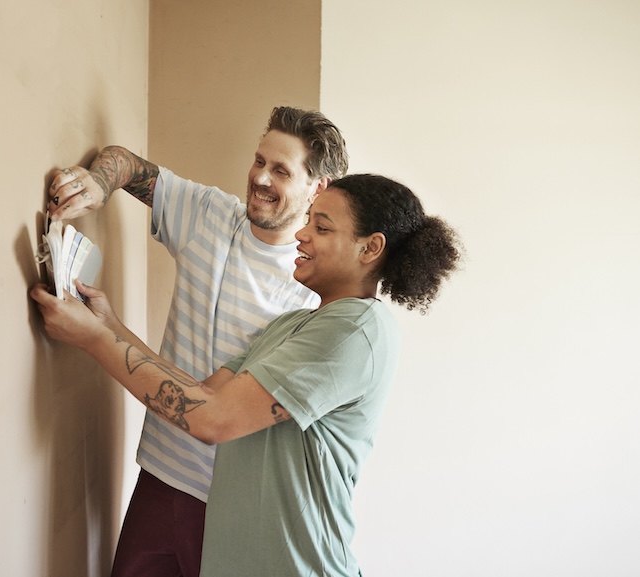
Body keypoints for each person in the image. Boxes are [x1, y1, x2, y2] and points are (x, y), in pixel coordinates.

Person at [31, 173, 462, 576]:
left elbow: (211, 420)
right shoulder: (292, 324)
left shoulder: (357, 329)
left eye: (323, 228)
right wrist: (109, 327)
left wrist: (93, 340)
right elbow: (201, 396)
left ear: (370, 248)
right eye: (309, 221)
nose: (301, 234)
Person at [44, 106, 349, 577]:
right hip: (160, 479)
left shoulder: (313, 293)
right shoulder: (209, 214)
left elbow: (215, 403)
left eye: (281, 170)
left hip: (239, 510)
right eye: (259, 160)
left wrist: (99, 337)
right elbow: (124, 162)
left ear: (318, 187)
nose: (261, 177)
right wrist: (98, 183)